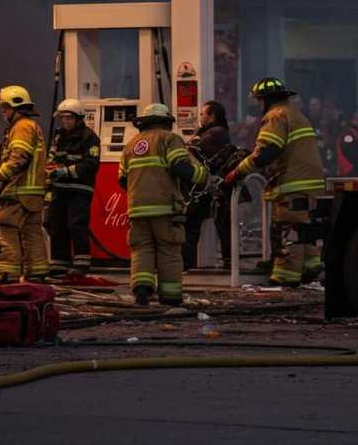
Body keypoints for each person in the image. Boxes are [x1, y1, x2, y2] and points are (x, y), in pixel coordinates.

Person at [225, 78, 326, 287]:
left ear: (265, 100)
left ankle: (285, 276)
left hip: (292, 182)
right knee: (304, 228)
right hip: (310, 182)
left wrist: (238, 171)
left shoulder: (275, 116)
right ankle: (310, 267)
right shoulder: (296, 114)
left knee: (287, 228)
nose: (256, 106)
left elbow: (267, 151)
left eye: (258, 101)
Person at [119, 103, 207, 306]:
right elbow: (181, 166)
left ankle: (142, 291)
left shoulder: (131, 144)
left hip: (137, 208)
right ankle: (170, 296)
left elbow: (123, 179)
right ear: (167, 122)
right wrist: (202, 177)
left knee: (142, 249)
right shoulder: (169, 138)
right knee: (169, 249)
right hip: (165, 207)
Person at [0, 85, 49, 283]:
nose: (3, 113)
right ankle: (37, 271)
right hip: (33, 192)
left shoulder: (21, 127)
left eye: (5, 108)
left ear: (16, 107)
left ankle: (7, 272)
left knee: (6, 229)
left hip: (18, 190)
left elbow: (19, 157)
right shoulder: (30, 126)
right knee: (31, 231)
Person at [46, 98, 101, 277]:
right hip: (60, 189)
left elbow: (91, 164)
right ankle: (59, 263)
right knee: (57, 225)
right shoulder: (59, 136)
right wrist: (49, 168)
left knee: (76, 225)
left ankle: (81, 263)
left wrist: (66, 171)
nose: (65, 121)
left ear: (78, 118)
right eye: (63, 118)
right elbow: (52, 157)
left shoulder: (89, 137)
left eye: (69, 118)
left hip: (79, 189)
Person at [183, 100, 236, 271]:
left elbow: (192, 150)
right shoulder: (216, 132)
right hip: (214, 187)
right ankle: (227, 261)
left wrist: (192, 142)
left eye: (202, 114)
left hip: (211, 188)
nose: (200, 117)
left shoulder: (215, 133)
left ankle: (188, 266)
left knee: (192, 226)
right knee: (221, 224)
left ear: (212, 116)